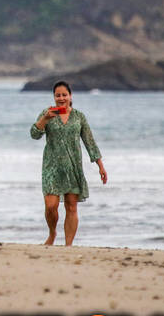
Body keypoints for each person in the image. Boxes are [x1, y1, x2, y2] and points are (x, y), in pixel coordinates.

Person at [30, 80, 108, 246]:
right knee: (51, 206)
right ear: (54, 97)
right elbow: (34, 134)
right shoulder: (47, 113)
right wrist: (45, 119)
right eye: (58, 95)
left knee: (71, 207)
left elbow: (89, 142)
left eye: (64, 95)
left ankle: (68, 245)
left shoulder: (79, 116)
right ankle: (52, 233)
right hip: (52, 167)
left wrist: (100, 166)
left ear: (70, 96)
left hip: (73, 167)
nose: (61, 98)